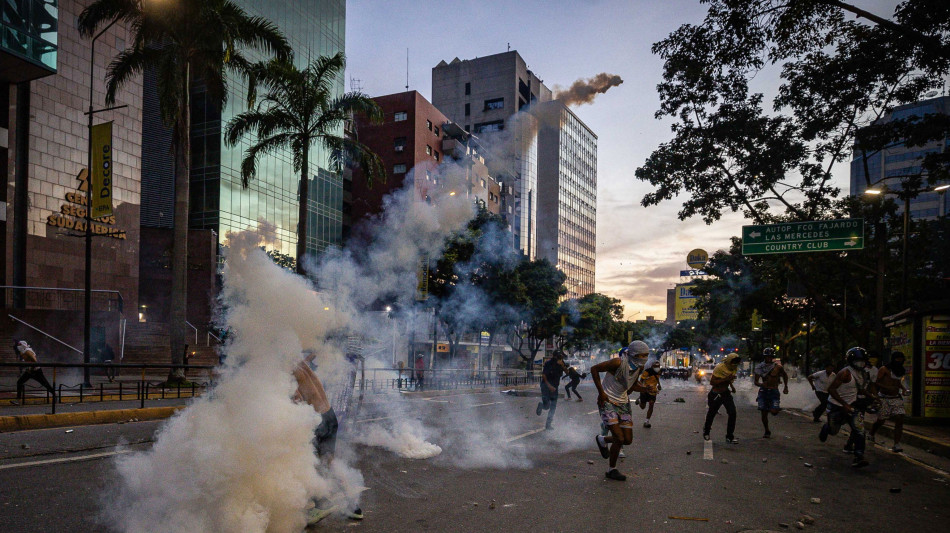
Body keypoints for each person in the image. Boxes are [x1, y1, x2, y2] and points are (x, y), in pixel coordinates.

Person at [292, 352, 363, 523]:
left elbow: (296, 398)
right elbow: (310, 357)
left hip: (318, 421)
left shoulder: (288, 372)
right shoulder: (301, 365)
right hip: (329, 416)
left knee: (313, 464)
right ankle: (352, 506)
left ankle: (321, 505)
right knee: (329, 463)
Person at [592, 340, 652, 481]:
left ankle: (603, 439)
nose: (644, 358)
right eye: (642, 355)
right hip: (607, 401)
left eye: (646, 355)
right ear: (634, 354)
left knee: (627, 440)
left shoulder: (639, 367)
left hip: (623, 403)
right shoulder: (617, 363)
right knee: (619, 438)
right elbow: (594, 369)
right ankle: (611, 469)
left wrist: (645, 389)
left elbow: (630, 387)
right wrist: (601, 392)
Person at [819, 347, 872, 468]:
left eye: (863, 361)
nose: (861, 363)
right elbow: (831, 389)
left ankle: (859, 456)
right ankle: (827, 428)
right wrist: (844, 404)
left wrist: (872, 396)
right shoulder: (845, 373)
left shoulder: (862, 374)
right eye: (858, 361)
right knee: (833, 430)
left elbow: (860, 389)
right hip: (837, 406)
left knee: (859, 429)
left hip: (852, 406)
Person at [868, 351, 908, 453]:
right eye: (897, 359)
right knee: (881, 419)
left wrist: (903, 389)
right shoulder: (884, 369)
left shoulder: (900, 370)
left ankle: (896, 443)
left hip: (895, 397)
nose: (899, 361)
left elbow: (898, 382)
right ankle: (871, 433)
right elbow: (876, 382)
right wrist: (886, 387)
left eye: (901, 360)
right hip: (884, 397)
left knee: (900, 417)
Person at [703, 353, 741, 443]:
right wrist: (726, 379)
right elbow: (713, 382)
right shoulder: (720, 368)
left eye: (736, 362)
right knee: (712, 413)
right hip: (716, 394)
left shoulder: (734, 368)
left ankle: (729, 436)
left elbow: (729, 379)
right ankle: (706, 431)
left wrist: (731, 386)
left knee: (732, 413)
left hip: (726, 393)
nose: (735, 364)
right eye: (733, 362)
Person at [754, 348, 788, 438]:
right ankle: (767, 430)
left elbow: (785, 375)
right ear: (764, 357)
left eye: (770, 356)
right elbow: (756, 382)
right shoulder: (759, 367)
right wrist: (762, 384)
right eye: (767, 356)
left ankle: (770, 408)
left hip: (774, 391)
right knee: (763, 413)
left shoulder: (778, 367)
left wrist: (786, 386)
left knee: (774, 412)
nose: (769, 358)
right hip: (763, 391)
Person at [13, 340, 55, 405]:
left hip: (36, 370)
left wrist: (31, 368)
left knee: (45, 383)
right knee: (19, 382)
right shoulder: (23, 352)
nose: (18, 346)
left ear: (22, 345)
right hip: (29, 370)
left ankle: (55, 395)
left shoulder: (27, 351)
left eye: (19, 345)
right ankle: (18, 400)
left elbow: (34, 361)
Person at [536, 351, 567, 429]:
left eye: (560, 357)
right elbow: (544, 375)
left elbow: (567, 372)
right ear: (554, 356)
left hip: (555, 387)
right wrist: (549, 386)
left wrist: (563, 365)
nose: (559, 358)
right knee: (547, 406)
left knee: (553, 406)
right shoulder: (549, 363)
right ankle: (541, 405)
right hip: (546, 387)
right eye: (558, 356)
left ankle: (548, 424)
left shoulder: (561, 363)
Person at [635, 361, 663, 428]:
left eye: (658, 366)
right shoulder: (647, 372)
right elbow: (641, 381)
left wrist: (659, 385)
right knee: (642, 407)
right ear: (652, 366)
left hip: (653, 391)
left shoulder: (659, 372)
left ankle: (647, 421)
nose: (657, 368)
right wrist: (642, 389)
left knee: (651, 404)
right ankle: (640, 401)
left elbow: (657, 378)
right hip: (645, 390)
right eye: (656, 367)